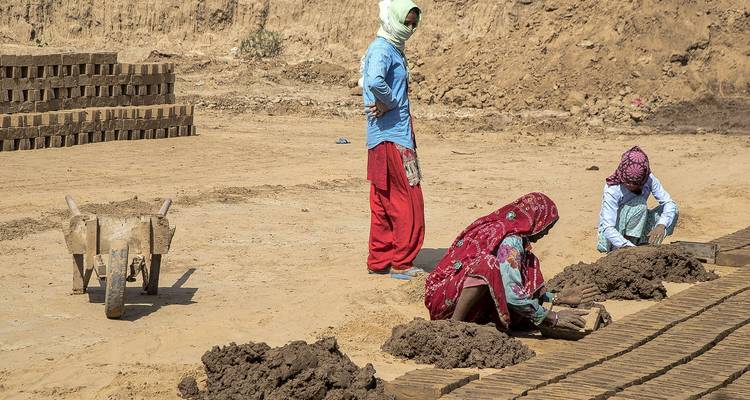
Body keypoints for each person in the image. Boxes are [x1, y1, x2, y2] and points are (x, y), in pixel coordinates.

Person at [424, 192, 598, 332]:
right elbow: (512, 294)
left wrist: (556, 297)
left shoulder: (507, 232)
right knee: (487, 266)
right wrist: (553, 318)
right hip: (444, 303)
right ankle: (455, 325)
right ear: (536, 220)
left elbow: (510, 282)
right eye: (547, 227)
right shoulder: (511, 242)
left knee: (527, 264)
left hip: (448, 292)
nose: (546, 233)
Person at [362, 0, 425, 280]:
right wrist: (389, 102)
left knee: (383, 198)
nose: (409, 28)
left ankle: (380, 259)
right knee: (408, 200)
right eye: (405, 22)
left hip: (381, 138)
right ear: (392, 19)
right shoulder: (383, 49)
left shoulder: (389, 48)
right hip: (394, 138)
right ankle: (402, 261)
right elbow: (374, 81)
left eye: (413, 23)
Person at [597, 146, 679, 253]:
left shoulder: (649, 179)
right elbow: (608, 228)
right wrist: (627, 247)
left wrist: (661, 225)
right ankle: (626, 250)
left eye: (636, 184)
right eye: (627, 183)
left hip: (639, 225)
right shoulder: (612, 189)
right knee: (639, 205)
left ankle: (643, 246)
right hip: (615, 234)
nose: (631, 186)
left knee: (673, 210)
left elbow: (669, 203)